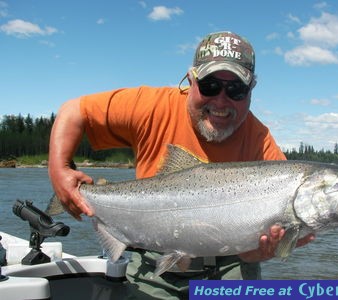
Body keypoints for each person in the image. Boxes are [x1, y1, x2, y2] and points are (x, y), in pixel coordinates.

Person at [48, 31, 314, 299]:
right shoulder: (151, 106)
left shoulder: (261, 141)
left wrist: (261, 251)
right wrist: (59, 170)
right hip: (152, 256)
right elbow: (73, 111)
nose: (221, 102)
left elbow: (249, 252)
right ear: (191, 79)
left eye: (236, 90)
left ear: (251, 90)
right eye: (210, 86)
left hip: (231, 266)